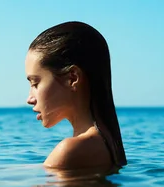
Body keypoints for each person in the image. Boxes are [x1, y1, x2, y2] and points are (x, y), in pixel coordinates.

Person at [25, 21, 127, 170]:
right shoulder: (105, 143)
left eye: (35, 83)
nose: (29, 98)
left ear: (72, 78)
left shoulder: (70, 150)